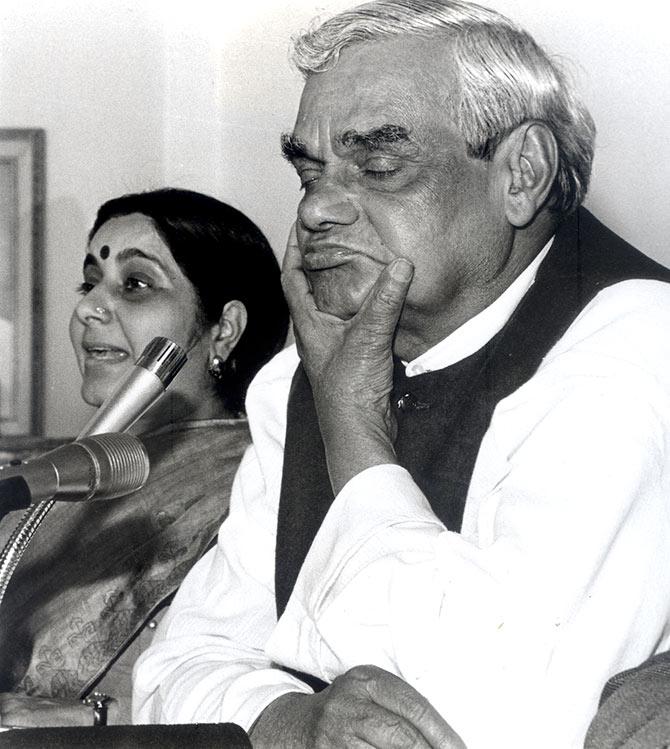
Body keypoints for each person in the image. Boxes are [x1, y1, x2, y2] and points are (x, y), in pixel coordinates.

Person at [133, 2, 670, 747]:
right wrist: (289, 720)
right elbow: (172, 670)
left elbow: (499, 719)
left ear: (523, 174)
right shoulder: (305, 369)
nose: (317, 207)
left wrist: (355, 435)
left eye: (379, 165)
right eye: (308, 170)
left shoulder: (636, 342)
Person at [0, 187, 288, 727]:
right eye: (89, 283)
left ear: (224, 329)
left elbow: (270, 688)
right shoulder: (56, 476)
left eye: (135, 285)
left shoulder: (266, 478)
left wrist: (97, 716)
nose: (88, 307)